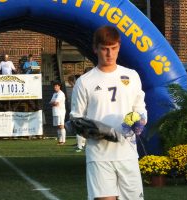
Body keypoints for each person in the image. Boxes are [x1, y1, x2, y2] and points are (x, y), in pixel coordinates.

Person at [70, 26, 147, 200]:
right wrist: (95, 130)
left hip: (127, 154)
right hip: (99, 156)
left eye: (113, 48)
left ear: (119, 47)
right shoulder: (84, 82)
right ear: (95, 48)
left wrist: (139, 122)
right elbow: (76, 118)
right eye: (104, 49)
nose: (109, 54)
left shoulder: (132, 76)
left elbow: (140, 108)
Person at [50, 81, 66, 145]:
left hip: (60, 112)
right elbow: (50, 102)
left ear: (59, 86)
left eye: (56, 86)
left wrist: (53, 103)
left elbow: (56, 103)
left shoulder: (61, 93)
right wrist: (53, 103)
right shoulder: (54, 94)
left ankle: (63, 141)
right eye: (54, 86)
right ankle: (60, 140)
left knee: (61, 126)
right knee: (58, 126)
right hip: (55, 111)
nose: (55, 87)